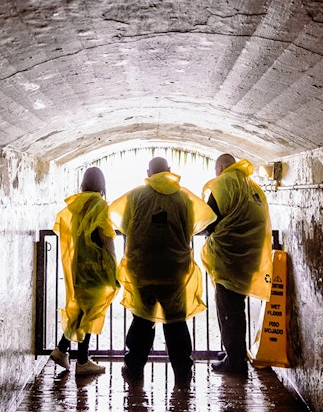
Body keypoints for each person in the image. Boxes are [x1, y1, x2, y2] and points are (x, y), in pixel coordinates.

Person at [110, 156, 216, 384]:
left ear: (148, 173)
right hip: (174, 270)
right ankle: (182, 371)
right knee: (176, 322)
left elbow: (127, 226)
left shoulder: (135, 197)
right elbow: (189, 229)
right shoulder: (184, 198)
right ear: (169, 171)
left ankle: (134, 367)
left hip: (142, 269)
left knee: (142, 321)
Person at [201, 154, 273, 375]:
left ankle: (235, 362)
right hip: (249, 258)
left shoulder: (223, 184)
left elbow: (208, 221)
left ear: (221, 167)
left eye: (216, 170)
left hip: (228, 257)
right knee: (236, 308)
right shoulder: (252, 186)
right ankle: (234, 353)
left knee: (228, 309)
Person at [50, 167, 120, 375]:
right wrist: (113, 260)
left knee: (82, 310)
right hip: (96, 265)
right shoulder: (99, 205)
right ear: (101, 185)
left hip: (79, 264)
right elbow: (105, 234)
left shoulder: (76, 205)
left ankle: (63, 351)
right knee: (89, 312)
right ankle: (81, 360)